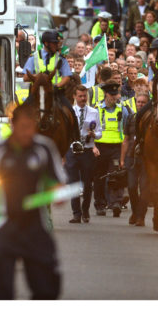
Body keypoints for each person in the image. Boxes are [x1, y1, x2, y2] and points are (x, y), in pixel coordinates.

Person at [0, 103, 66, 300]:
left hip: (36, 228)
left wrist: (58, 193)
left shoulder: (44, 149)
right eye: (24, 127)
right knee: (2, 290)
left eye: (32, 127)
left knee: (47, 290)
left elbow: (57, 183)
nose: (28, 132)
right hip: (4, 227)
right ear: (13, 125)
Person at [93, 82, 132, 218]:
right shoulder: (97, 109)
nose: (114, 97)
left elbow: (127, 128)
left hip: (117, 147)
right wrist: (93, 146)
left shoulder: (123, 109)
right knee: (99, 177)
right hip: (100, 147)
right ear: (106, 94)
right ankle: (100, 204)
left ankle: (116, 203)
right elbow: (90, 130)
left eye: (116, 95)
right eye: (111, 95)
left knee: (116, 175)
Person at [67, 85, 101, 224]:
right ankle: (76, 213)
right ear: (75, 96)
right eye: (80, 96)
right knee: (73, 183)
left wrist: (94, 134)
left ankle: (85, 209)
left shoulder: (94, 112)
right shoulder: (70, 111)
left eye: (84, 96)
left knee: (87, 183)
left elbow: (99, 132)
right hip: (73, 150)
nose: (83, 99)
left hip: (87, 150)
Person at [122, 90, 149, 226]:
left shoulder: (152, 119)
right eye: (138, 102)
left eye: (143, 102)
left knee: (144, 188)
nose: (140, 104)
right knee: (132, 187)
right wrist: (122, 159)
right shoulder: (131, 118)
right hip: (131, 157)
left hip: (146, 158)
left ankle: (141, 216)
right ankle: (135, 211)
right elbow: (126, 139)